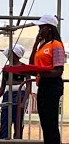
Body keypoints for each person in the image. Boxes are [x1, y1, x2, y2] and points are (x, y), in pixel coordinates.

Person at [25, 15, 64, 144]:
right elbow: (32, 64)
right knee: (45, 122)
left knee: (50, 122)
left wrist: (41, 74)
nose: (40, 29)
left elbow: (58, 70)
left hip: (52, 85)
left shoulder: (56, 45)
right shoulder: (42, 46)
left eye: (42, 27)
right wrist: (36, 43)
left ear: (50, 29)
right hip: (43, 84)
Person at [0, 44, 31, 139]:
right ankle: (4, 137)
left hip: (20, 94)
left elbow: (28, 86)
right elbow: (2, 86)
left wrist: (24, 102)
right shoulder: (6, 69)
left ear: (16, 54)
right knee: (5, 118)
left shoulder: (24, 67)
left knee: (18, 119)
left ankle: (17, 138)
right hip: (8, 94)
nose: (8, 56)